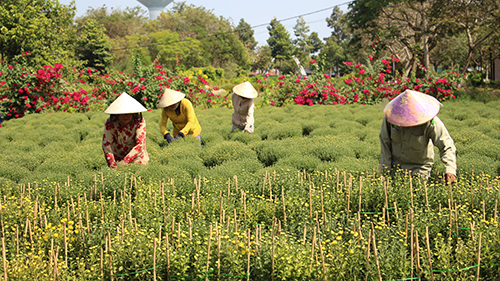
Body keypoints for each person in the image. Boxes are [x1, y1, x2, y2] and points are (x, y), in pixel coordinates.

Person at [379, 89, 457, 184]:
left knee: (417, 194)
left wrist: (450, 169)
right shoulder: (391, 119)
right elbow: (385, 145)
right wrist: (385, 172)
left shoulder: (430, 121)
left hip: (420, 167)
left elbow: (446, 145)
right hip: (396, 167)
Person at [102, 92, 149, 169]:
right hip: (117, 155)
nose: (125, 116)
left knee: (139, 167)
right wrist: (112, 164)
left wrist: (125, 162)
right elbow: (106, 144)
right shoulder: (110, 122)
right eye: (122, 113)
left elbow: (139, 145)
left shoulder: (139, 122)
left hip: (137, 156)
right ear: (117, 114)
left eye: (129, 113)